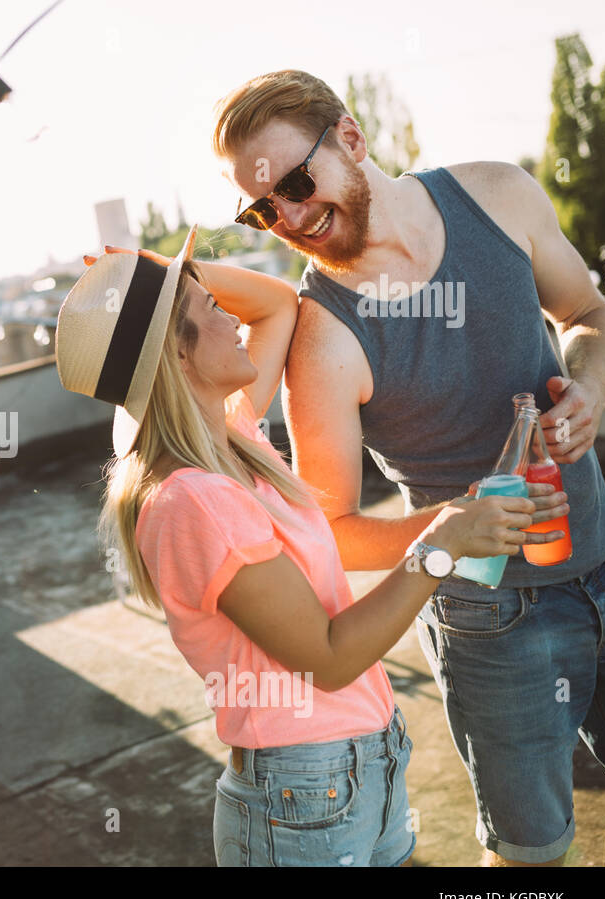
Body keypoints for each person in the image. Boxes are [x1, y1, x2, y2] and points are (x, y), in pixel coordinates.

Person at [213, 69, 605, 866]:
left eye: (297, 181)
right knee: (531, 856)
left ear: (352, 140)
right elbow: (326, 530)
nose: (290, 217)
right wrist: (449, 532)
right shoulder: (324, 339)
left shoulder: (498, 195)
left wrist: (593, 386)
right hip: (491, 624)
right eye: (264, 207)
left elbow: (592, 313)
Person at [57, 227, 537, 866]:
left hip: (361, 767)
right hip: (304, 793)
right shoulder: (191, 499)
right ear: (176, 353)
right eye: (208, 310)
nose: (230, 319)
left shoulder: (232, 438)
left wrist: (164, 275)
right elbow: (329, 658)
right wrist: (438, 546)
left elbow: (277, 304)